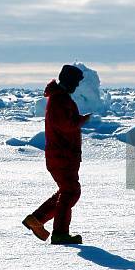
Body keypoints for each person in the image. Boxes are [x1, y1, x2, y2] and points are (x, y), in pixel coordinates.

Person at [23, 64, 91, 244]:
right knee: (70, 191)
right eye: (75, 83)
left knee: (68, 191)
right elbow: (65, 125)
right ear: (68, 81)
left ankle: (37, 219)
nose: (76, 87)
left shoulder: (61, 98)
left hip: (63, 155)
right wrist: (82, 120)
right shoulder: (59, 100)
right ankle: (60, 233)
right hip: (62, 156)